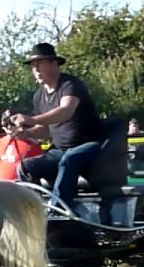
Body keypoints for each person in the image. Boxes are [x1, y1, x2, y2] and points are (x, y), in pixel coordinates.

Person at [11, 43, 104, 207]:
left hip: (90, 145)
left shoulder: (70, 85)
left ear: (54, 63)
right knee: (25, 167)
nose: (36, 70)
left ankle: (58, 209)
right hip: (60, 150)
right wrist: (27, 133)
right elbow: (48, 130)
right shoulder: (39, 96)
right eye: (33, 66)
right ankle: (34, 210)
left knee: (69, 159)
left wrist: (31, 120)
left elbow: (65, 111)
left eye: (40, 64)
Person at [0, 111, 44, 181]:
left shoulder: (31, 143)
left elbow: (39, 169)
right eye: (6, 123)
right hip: (2, 187)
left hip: (23, 186)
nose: (9, 126)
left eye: (12, 123)